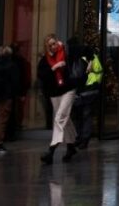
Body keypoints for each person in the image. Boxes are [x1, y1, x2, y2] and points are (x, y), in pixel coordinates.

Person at [38, 34, 79, 164]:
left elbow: (77, 58)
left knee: (60, 118)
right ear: (46, 47)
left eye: (54, 43)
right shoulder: (45, 60)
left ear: (58, 42)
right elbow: (42, 76)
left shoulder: (65, 54)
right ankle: (71, 146)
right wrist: (54, 68)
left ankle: (51, 150)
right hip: (54, 93)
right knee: (65, 120)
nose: (53, 47)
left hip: (68, 90)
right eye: (50, 45)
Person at [71, 41, 103, 150]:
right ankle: (83, 138)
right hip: (92, 90)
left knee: (81, 116)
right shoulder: (93, 58)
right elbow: (99, 71)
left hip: (84, 91)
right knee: (85, 116)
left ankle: (81, 138)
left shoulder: (82, 60)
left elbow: (77, 76)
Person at [7, 41, 30, 142]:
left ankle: (11, 131)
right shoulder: (20, 61)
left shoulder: (10, 61)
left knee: (11, 112)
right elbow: (24, 77)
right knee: (15, 111)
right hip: (15, 90)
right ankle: (13, 130)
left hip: (10, 91)